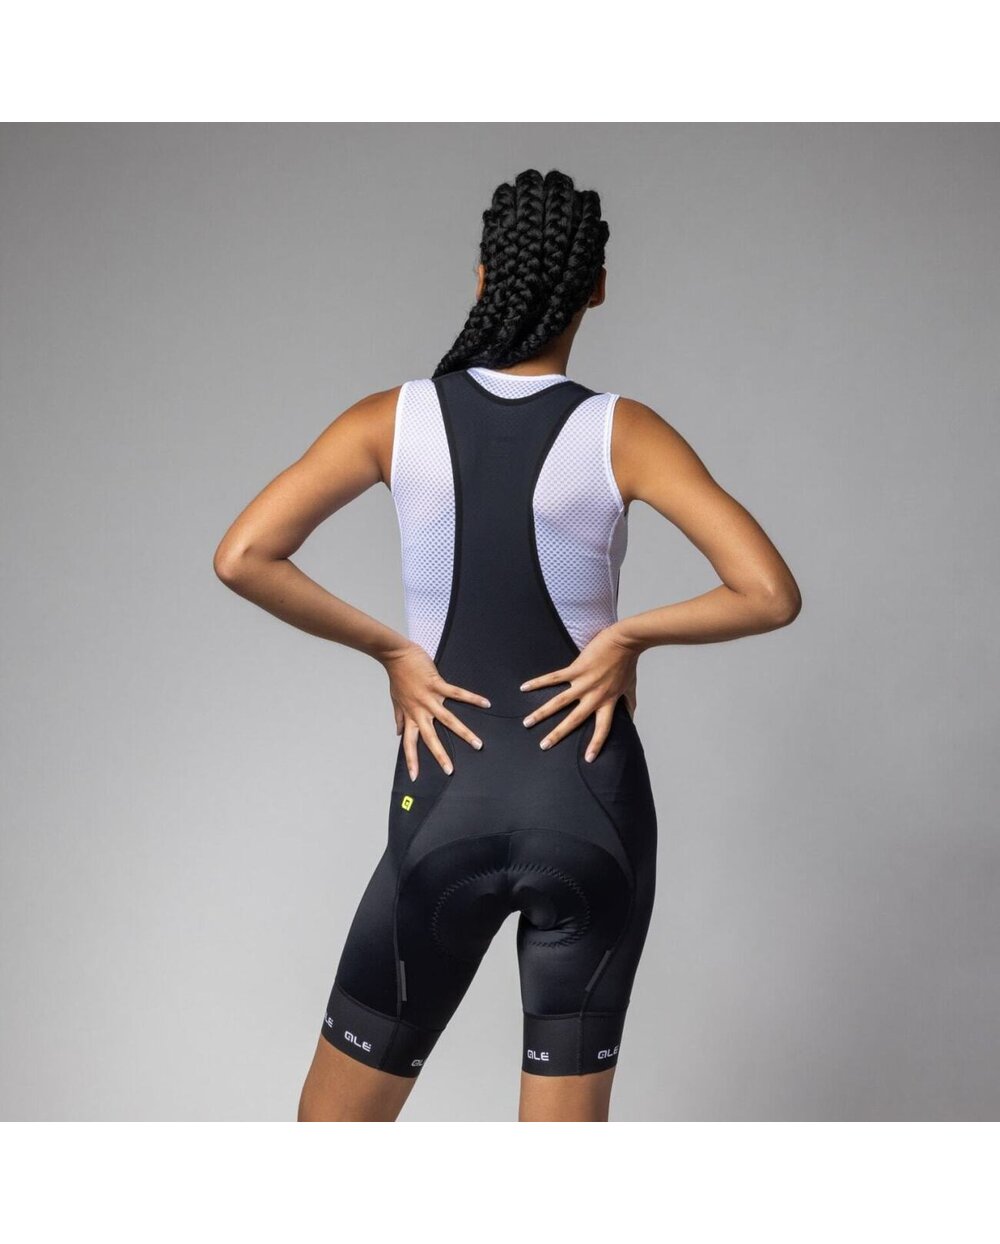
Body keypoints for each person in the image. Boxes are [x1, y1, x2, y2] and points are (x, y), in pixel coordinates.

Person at [213, 167, 801, 1123]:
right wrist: (630, 637)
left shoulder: (390, 419)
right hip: (592, 809)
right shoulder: (623, 431)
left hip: (445, 801)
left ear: (484, 275)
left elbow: (243, 556)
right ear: (597, 288)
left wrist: (393, 653)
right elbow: (769, 594)